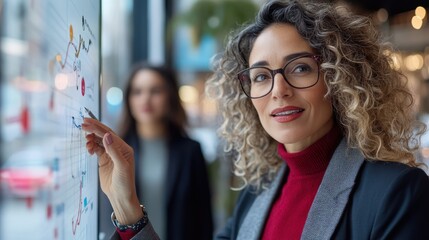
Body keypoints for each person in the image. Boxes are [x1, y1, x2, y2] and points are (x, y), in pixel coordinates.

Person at [82, 0, 429, 239]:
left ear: (339, 80)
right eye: (261, 76)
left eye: (300, 68)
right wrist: (127, 207)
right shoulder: (257, 192)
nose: (278, 89)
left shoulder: (397, 192)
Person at [95, 63, 213, 240]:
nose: (145, 99)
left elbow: (204, 218)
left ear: (170, 96)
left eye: (155, 91)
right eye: (137, 92)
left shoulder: (191, 151)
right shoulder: (115, 153)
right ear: (128, 99)